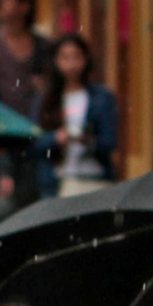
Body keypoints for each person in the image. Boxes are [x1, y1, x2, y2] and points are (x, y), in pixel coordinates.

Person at [40, 33, 118, 195]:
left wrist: (87, 140)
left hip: (94, 178)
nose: (71, 65)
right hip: (58, 179)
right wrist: (56, 138)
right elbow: (35, 140)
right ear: (56, 61)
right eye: (65, 58)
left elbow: (109, 140)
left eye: (76, 57)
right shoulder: (47, 99)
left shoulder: (101, 97)